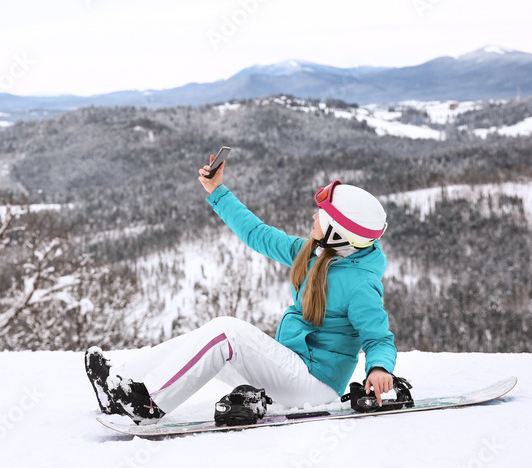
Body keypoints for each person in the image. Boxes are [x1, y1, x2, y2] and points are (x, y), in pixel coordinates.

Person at [85, 152, 398, 424]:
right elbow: (257, 234)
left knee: (227, 332)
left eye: (324, 216)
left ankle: (149, 403)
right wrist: (216, 190)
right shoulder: (313, 253)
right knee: (205, 338)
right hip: (292, 370)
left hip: (315, 384)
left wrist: (379, 368)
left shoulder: (360, 283)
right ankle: (121, 380)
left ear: (338, 233)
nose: (315, 216)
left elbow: (378, 337)